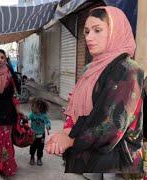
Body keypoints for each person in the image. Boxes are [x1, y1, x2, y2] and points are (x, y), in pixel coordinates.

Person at [45, 6, 144, 173]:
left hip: (119, 164)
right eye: (86, 31)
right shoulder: (91, 69)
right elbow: (77, 110)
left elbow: (112, 125)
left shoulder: (128, 71)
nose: (89, 37)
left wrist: (71, 141)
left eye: (97, 30)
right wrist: (65, 135)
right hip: (93, 160)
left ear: (116, 31)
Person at [28, 97, 51, 166]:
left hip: (41, 134)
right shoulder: (32, 114)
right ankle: (32, 157)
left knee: (40, 147)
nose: (33, 108)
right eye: (33, 107)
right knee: (32, 146)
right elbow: (27, 118)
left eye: (35, 107)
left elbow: (48, 122)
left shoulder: (44, 116)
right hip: (33, 134)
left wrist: (48, 126)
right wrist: (24, 120)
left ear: (40, 107)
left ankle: (39, 158)